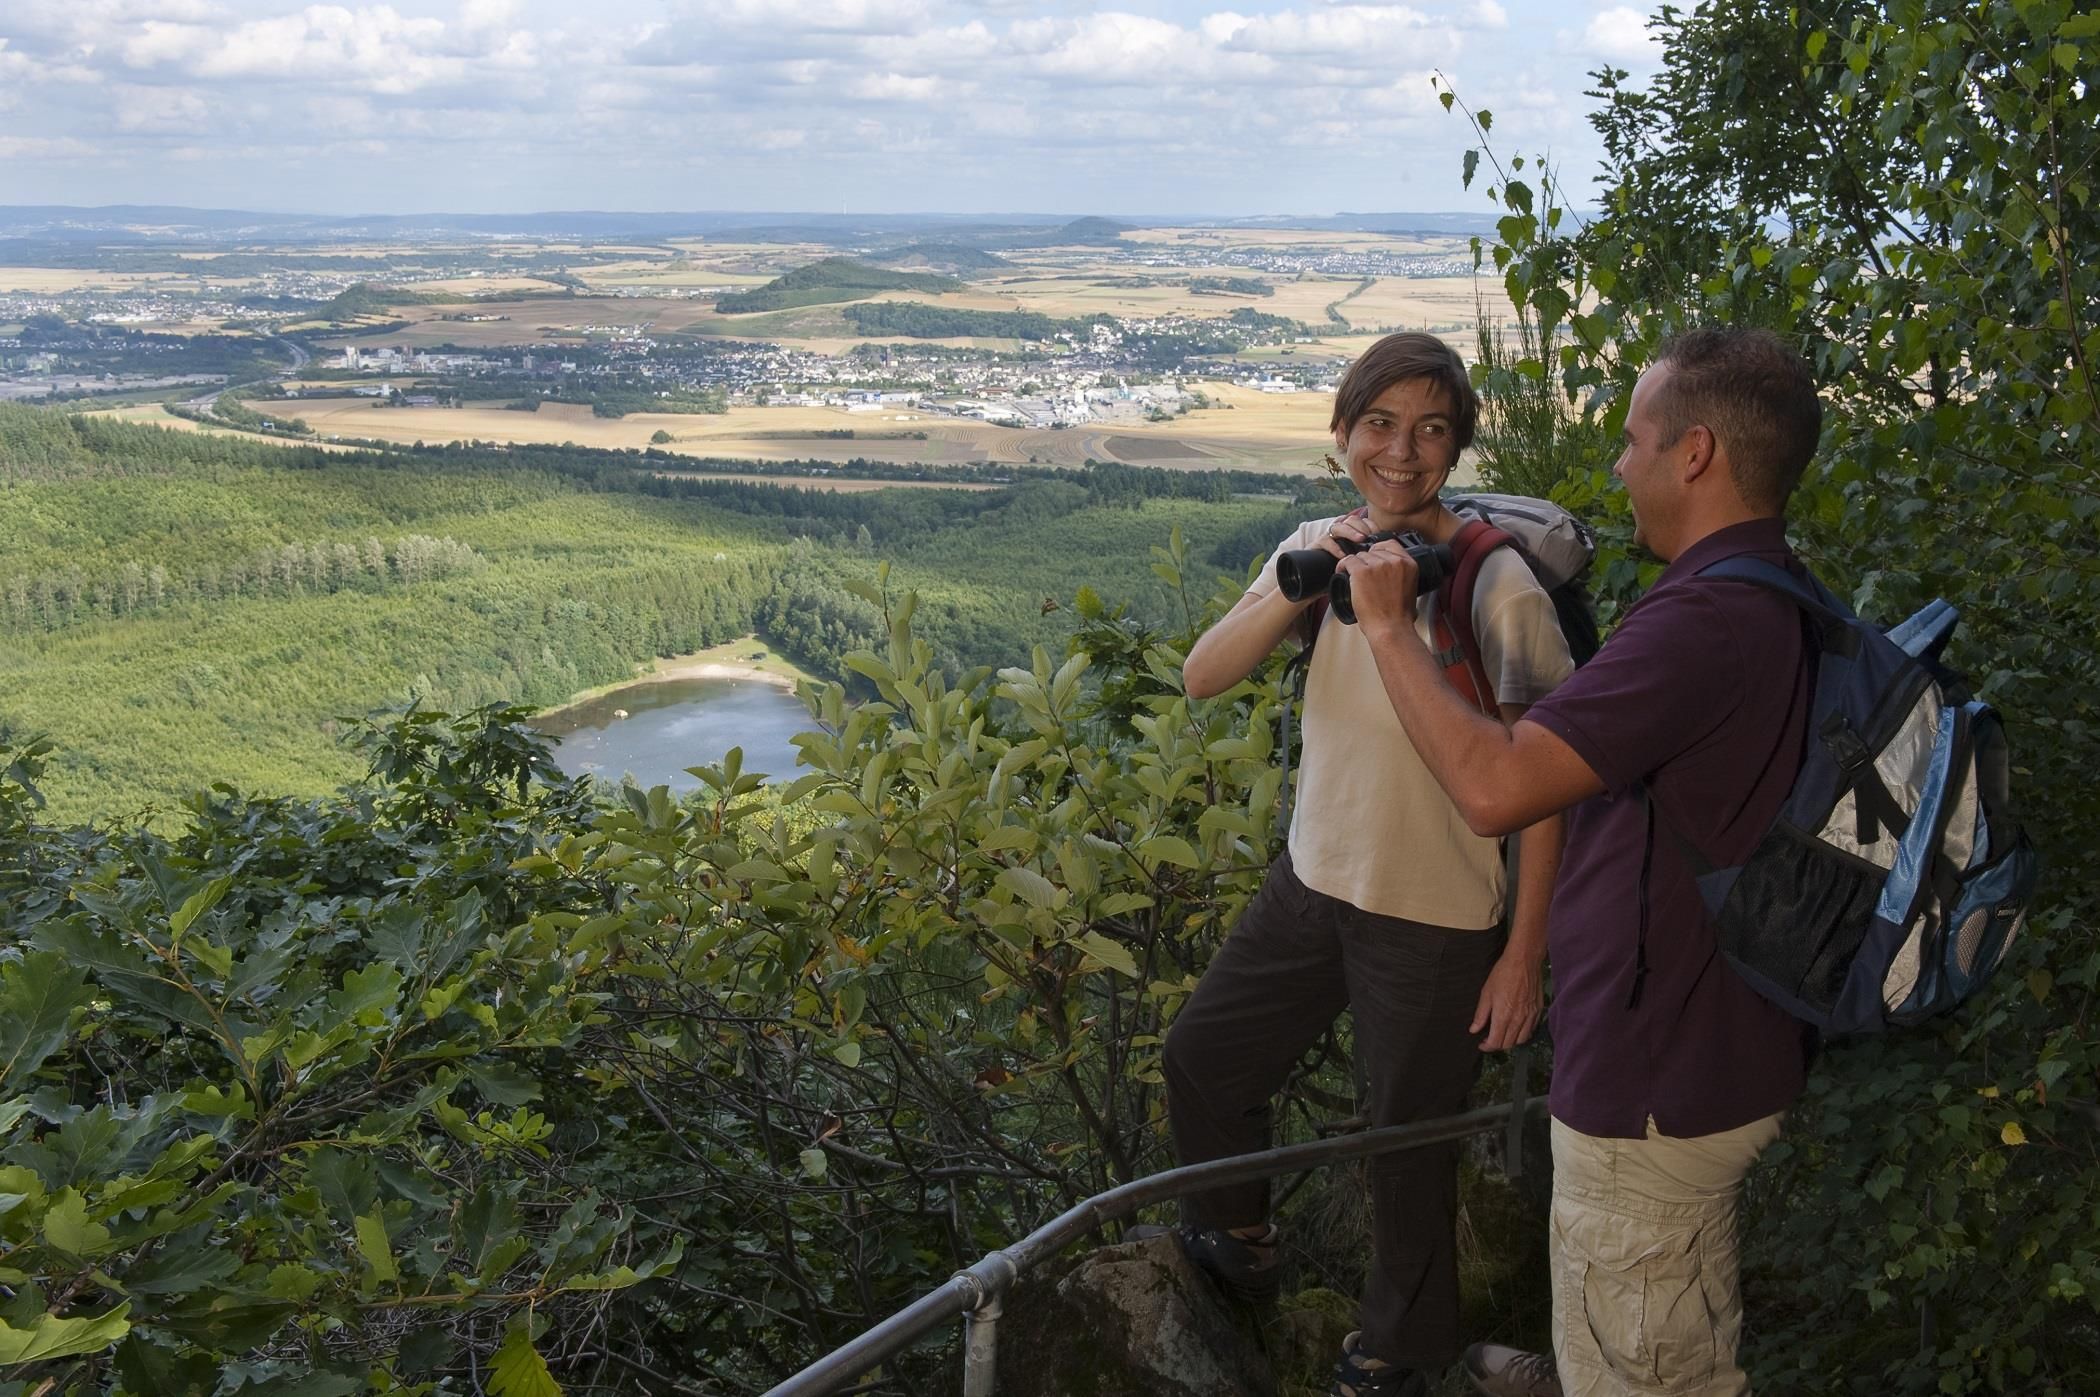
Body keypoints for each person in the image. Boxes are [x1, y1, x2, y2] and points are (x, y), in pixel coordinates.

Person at [1332, 326, 1823, 1397]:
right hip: (1714, 1044)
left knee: (1644, 1360)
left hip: (1655, 1088)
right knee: (1648, 1325)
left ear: (1695, 453)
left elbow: (1497, 786)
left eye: (1634, 440)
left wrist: (1388, 628)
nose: (1618, 463)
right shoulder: (1773, 587)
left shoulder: (1701, 623)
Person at [1162, 332, 1575, 1397]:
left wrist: (1522, 954)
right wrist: (1307, 580)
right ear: (1342, 433)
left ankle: (1402, 1350)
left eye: (1431, 430)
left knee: (1407, 1144)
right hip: (1314, 879)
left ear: (1456, 448)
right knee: (1204, 1055)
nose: (1402, 450)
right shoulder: (1314, 545)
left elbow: (1547, 788)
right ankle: (1242, 1237)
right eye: (1380, 424)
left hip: (1437, 914)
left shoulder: (1496, 585)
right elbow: (1203, 674)